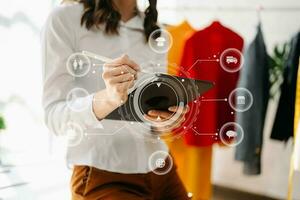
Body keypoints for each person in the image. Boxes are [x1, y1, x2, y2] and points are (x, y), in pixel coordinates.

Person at [41, 0, 189, 199]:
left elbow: (153, 124)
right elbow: (54, 116)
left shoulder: (156, 31)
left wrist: (165, 121)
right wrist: (108, 99)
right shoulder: (65, 19)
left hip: (161, 166)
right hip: (102, 175)